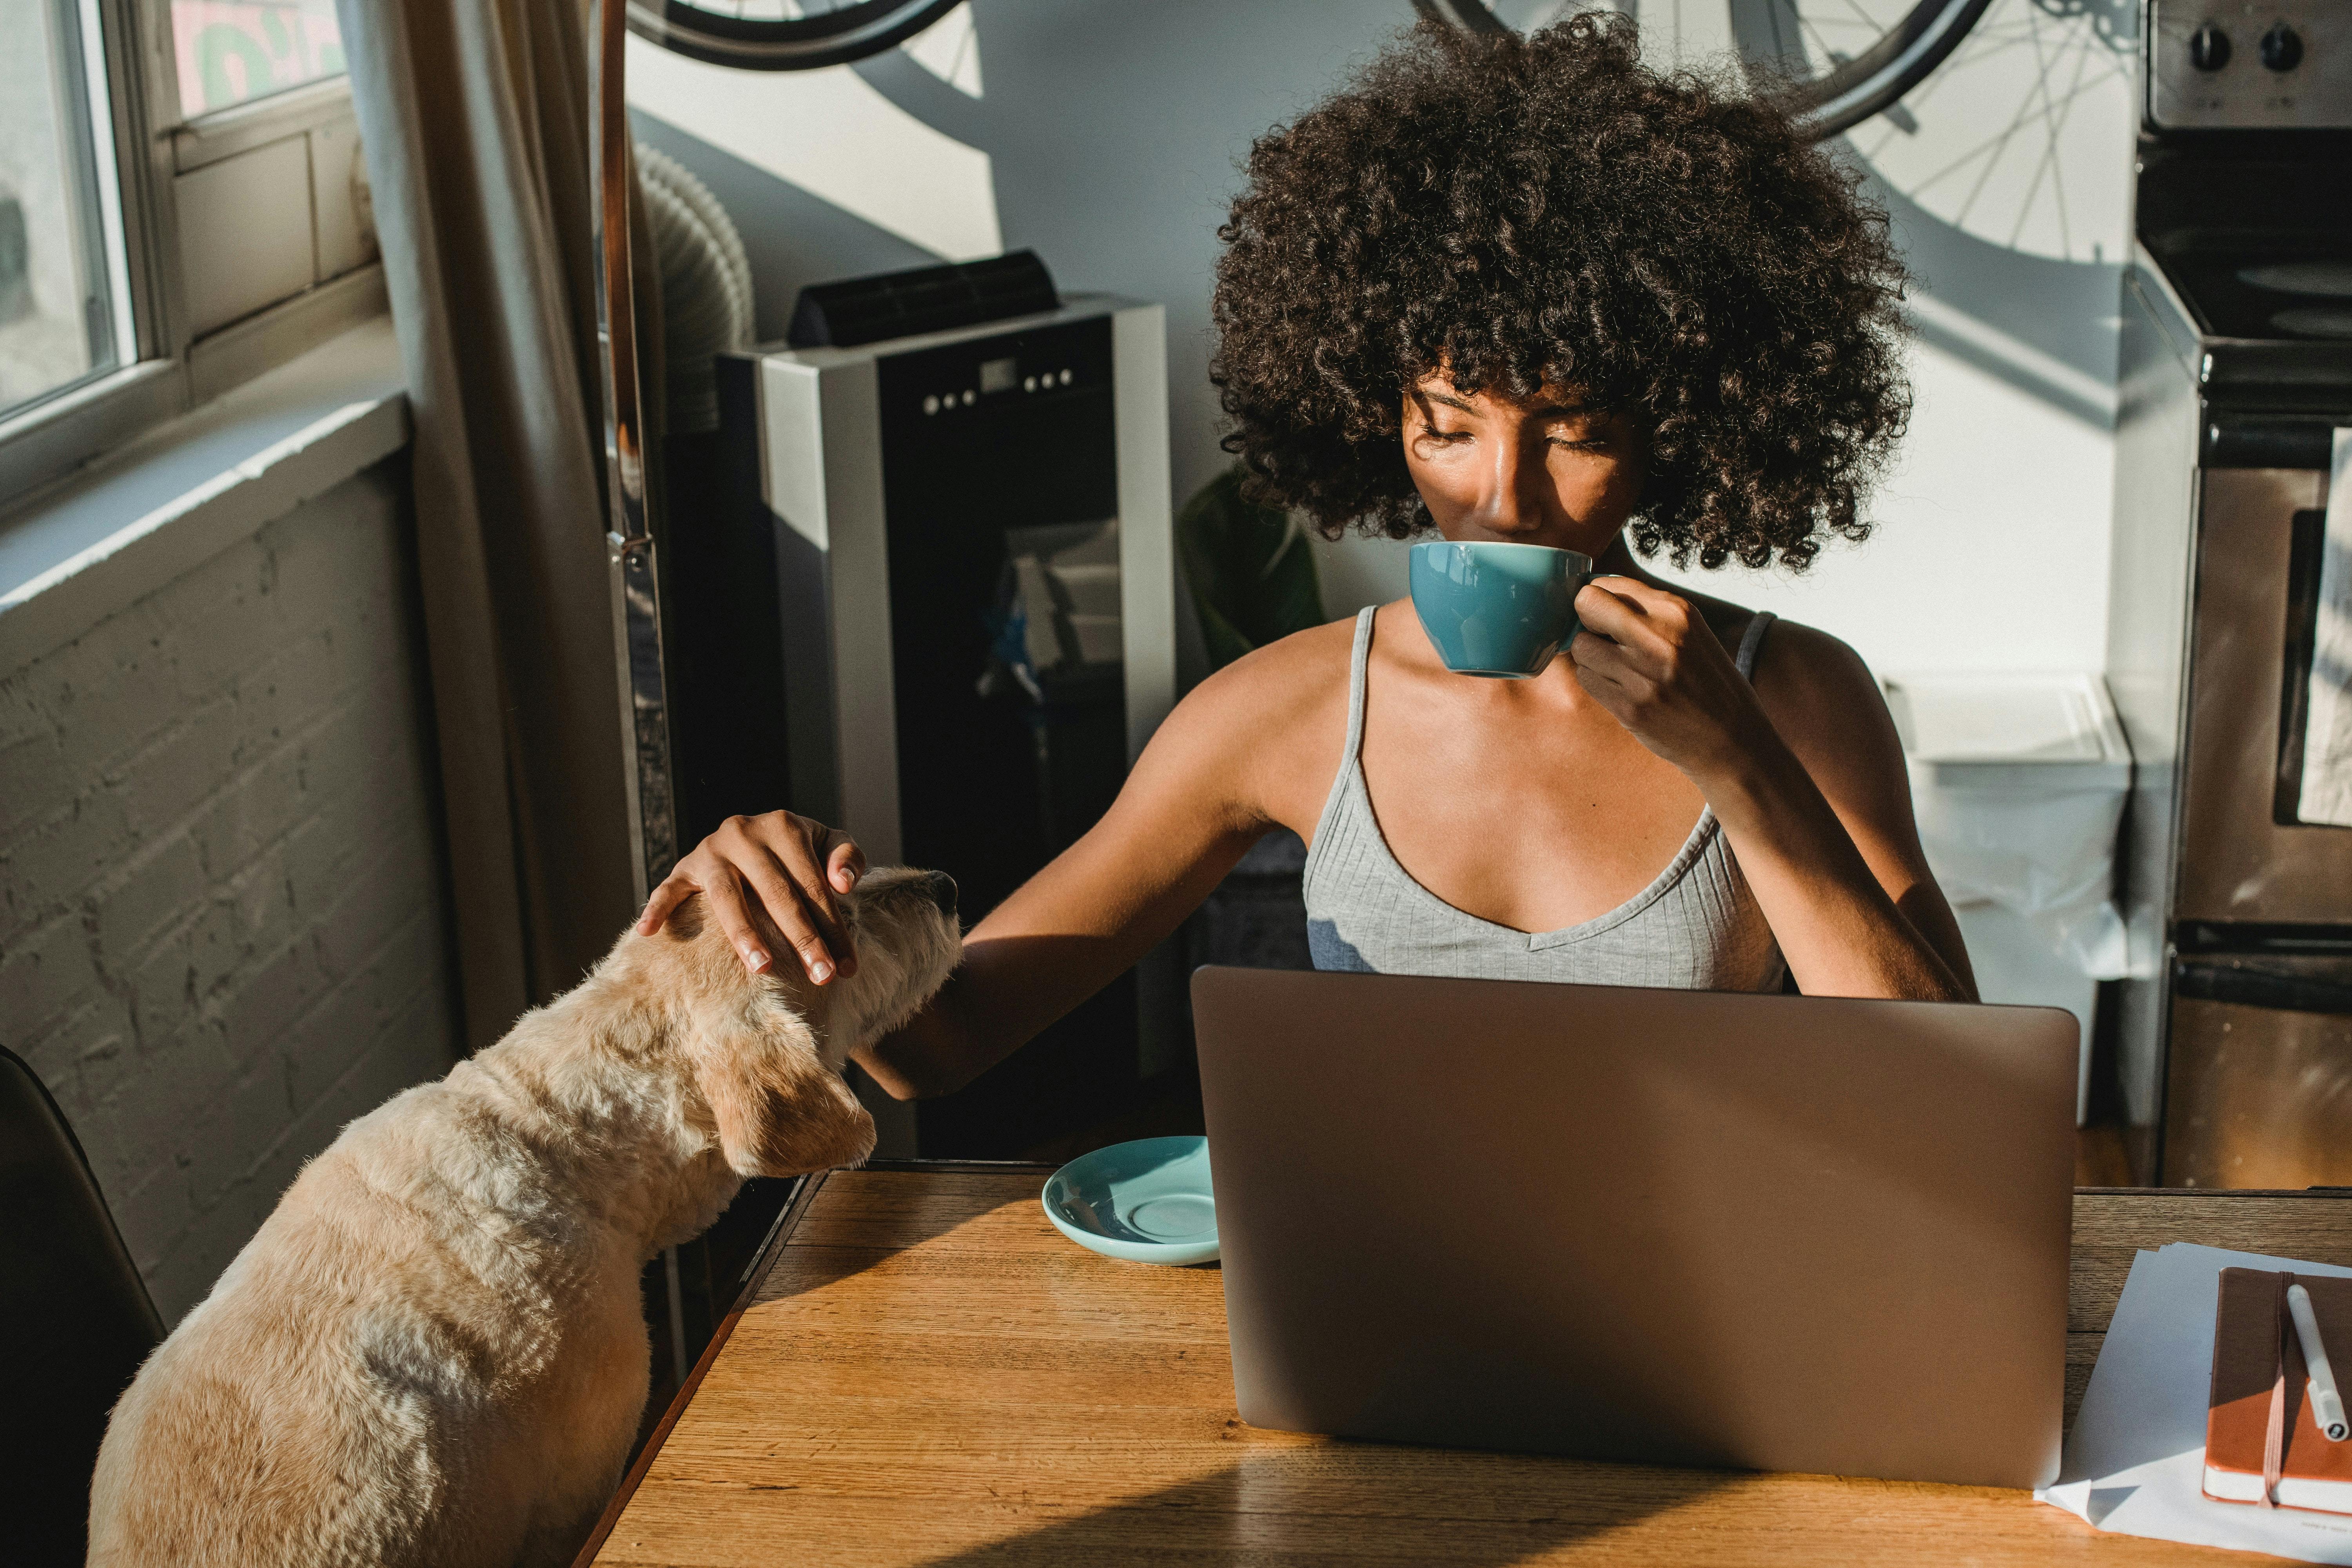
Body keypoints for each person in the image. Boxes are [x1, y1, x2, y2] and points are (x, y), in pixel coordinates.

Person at [635, 15, 1975, 1101]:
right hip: (1375, 1303)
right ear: (1375, 411)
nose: (1500, 498)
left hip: (1709, 1302)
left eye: (1574, 432)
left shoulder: (1789, 696)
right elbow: (942, 1043)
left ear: (1679, 431)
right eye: (1446, 428)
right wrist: (791, 913)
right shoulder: (1278, 715)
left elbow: (1952, 1094)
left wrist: (1739, 762)